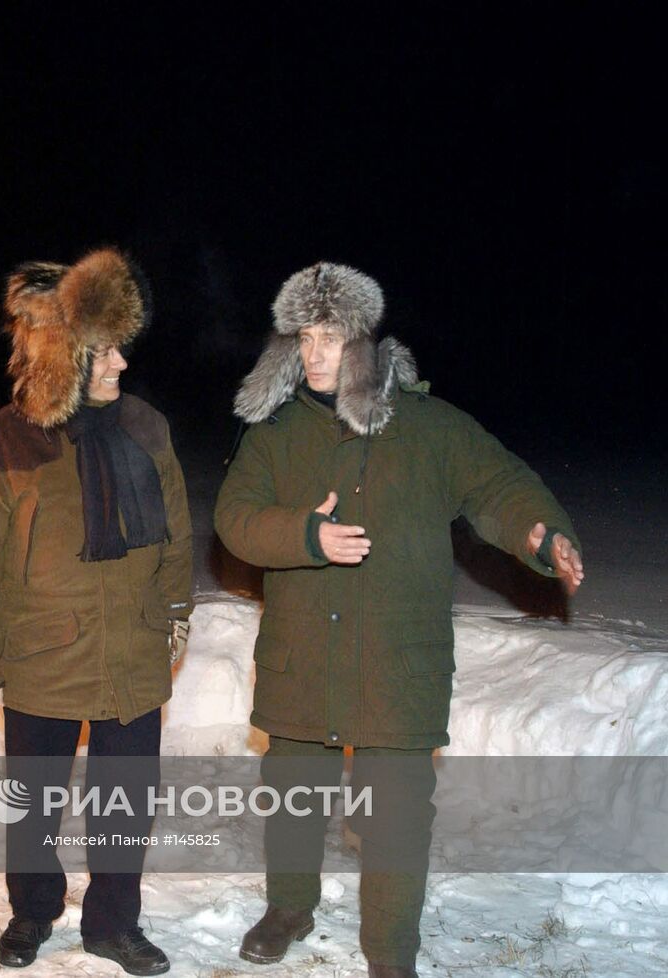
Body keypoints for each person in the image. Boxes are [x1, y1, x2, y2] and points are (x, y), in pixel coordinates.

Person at [214, 262, 585, 978]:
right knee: (292, 795)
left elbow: (500, 486)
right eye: (303, 338)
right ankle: (289, 906)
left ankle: (390, 951)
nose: (316, 354)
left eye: (331, 337)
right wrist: (303, 536)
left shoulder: (432, 428)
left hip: (396, 660)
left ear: (364, 342)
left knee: (396, 815)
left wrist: (542, 535)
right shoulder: (274, 433)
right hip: (303, 655)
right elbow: (234, 520)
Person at [0, 247, 194, 975]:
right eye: (105, 351)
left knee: (124, 804)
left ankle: (114, 924)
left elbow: (177, 534)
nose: (120, 364)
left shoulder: (147, 427)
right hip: (41, 654)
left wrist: (175, 615)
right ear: (66, 356)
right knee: (31, 804)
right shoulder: (2, 441)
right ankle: (32, 910)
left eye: (119, 349)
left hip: (131, 655)